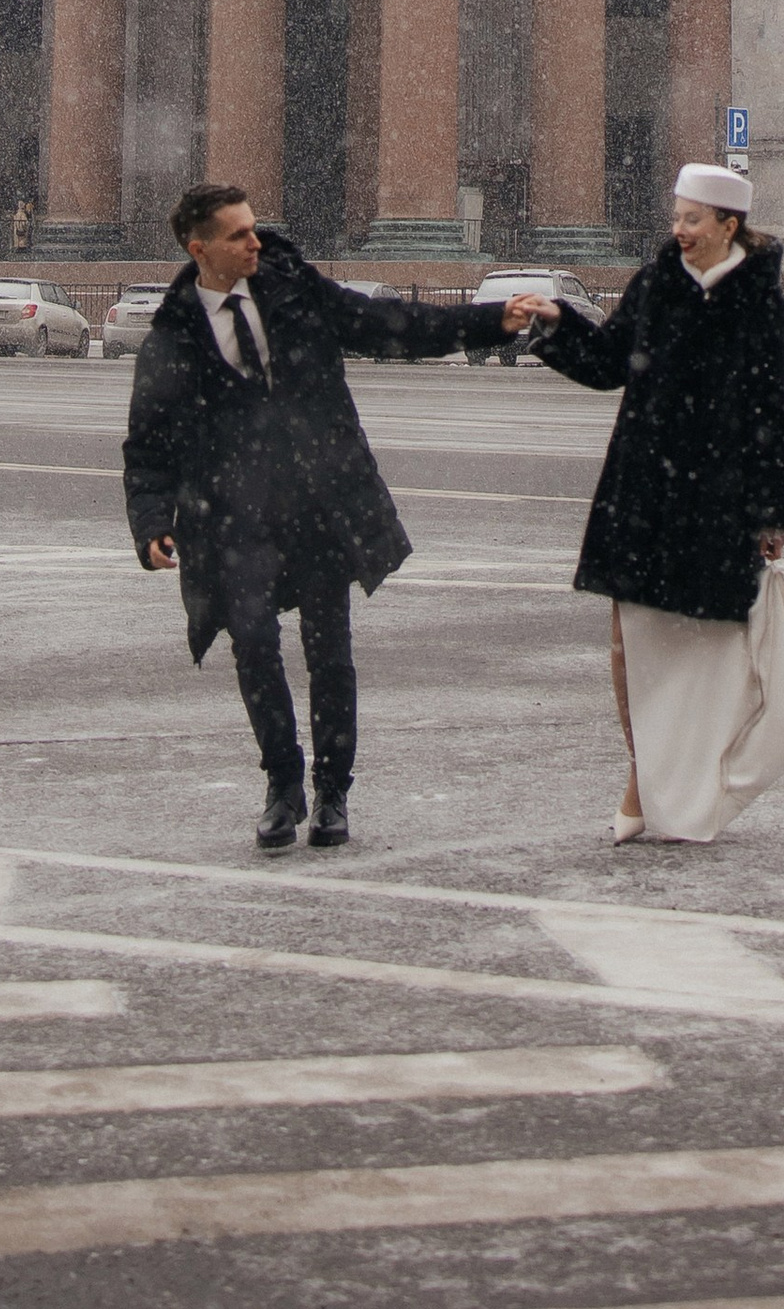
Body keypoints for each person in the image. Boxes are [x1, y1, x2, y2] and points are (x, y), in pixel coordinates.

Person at [124, 181, 526, 851]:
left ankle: (333, 792)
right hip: (233, 520)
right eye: (239, 235)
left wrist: (490, 321)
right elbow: (148, 445)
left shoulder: (294, 289)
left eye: (254, 228)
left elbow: (388, 325)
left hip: (316, 504)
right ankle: (283, 786)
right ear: (200, 250)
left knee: (330, 651)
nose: (255, 242)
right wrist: (150, 525)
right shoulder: (171, 337)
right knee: (253, 647)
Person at [515, 162, 784, 846]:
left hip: (719, 500)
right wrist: (557, 325)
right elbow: (607, 363)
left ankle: (696, 774)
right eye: (677, 217)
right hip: (644, 491)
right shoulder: (656, 284)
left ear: (727, 225)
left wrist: (772, 511)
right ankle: (643, 776)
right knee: (632, 643)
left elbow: (774, 410)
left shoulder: (759, 302)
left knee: (708, 654)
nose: (679, 230)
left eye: (692, 219)